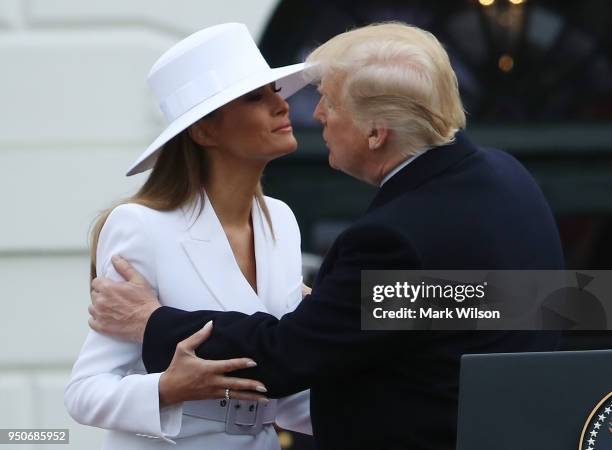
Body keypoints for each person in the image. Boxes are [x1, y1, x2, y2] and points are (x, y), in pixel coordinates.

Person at [89, 23, 564, 450]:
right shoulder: (507, 175)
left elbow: (286, 357)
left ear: (376, 133)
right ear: (204, 132)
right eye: (259, 95)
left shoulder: (387, 237)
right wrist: (365, 308)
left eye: (330, 102)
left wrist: (152, 323)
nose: (311, 112)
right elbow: (554, 303)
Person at [64, 23, 314, 449]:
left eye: (275, 89)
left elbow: (283, 383)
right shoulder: (140, 225)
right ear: (205, 131)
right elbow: (85, 391)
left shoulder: (281, 220)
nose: (281, 104)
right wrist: (165, 389)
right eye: (256, 97)